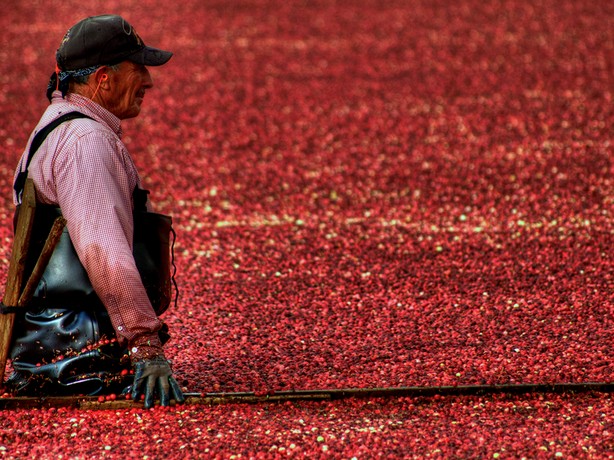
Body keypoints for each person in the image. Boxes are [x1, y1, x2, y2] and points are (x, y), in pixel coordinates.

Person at [6, 14, 184, 408]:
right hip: (80, 361)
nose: (149, 82)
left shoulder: (56, 127)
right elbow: (103, 250)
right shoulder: (86, 142)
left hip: (57, 347)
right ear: (103, 78)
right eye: (139, 70)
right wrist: (145, 346)